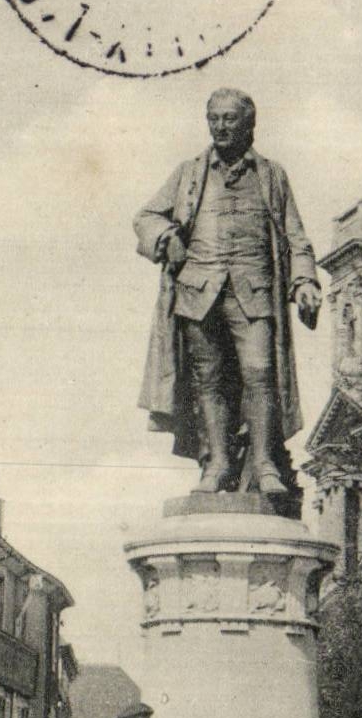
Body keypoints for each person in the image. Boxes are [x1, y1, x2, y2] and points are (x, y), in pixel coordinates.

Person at [134, 89, 322, 496]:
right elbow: (146, 217)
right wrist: (167, 236)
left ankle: (264, 462)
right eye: (214, 118)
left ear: (249, 124)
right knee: (208, 379)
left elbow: (296, 236)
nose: (220, 126)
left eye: (229, 119)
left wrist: (305, 280)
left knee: (260, 372)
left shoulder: (272, 175)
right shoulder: (189, 172)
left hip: (253, 293)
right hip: (197, 293)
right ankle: (216, 463)